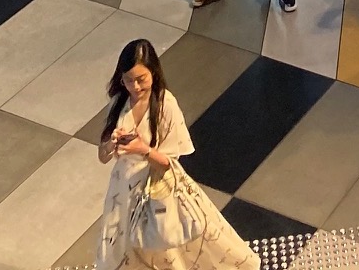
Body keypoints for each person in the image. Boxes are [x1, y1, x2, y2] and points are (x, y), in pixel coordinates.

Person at [95, 38, 258, 270]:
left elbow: (168, 162)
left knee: (165, 246)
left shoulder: (165, 104)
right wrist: (111, 144)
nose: (136, 87)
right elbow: (103, 156)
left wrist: (143, 150)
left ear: (153, 73)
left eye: (141, 79)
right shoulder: (118, 103)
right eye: (128, 80)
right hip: (123, 190)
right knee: (124, 249)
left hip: (157, 188)